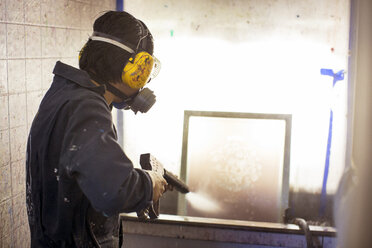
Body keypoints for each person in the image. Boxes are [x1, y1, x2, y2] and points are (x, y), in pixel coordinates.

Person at [26, 11, 167, 247]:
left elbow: (83, 167)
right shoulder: (87, 107)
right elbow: (113, 192)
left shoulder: (65, 94)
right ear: (135, 70)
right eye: (145, 69)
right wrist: (149, 184)